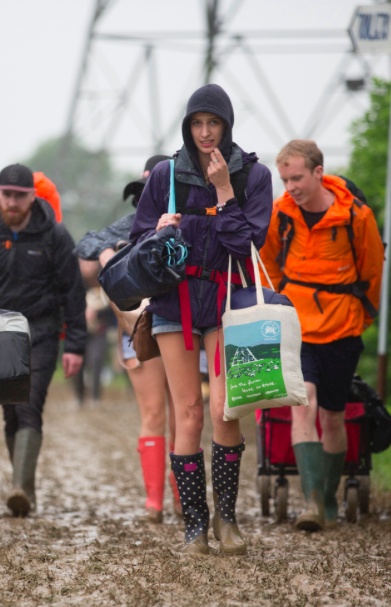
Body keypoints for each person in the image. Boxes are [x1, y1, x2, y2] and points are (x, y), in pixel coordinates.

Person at [130, 84, 273, 555]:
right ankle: (194, 524)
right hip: (175, 303)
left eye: (214, 123)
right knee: (188, 411)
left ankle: (226, 519)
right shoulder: (166, 175)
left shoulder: (254, 176)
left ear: (228, 125)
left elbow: (249, 247)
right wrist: (156, 232)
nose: (206, 132)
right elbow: (137, 244)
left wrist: (225, 192)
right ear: (187, 127)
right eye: (198, 123)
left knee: (224, 409)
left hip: (230, 302)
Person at [260, 140, 384, 530]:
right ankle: (311, 503)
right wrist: (279, 307)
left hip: (342, 327)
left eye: (296, 177)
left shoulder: (356, 217)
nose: (290, 186)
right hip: (296, 326)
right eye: (284, 179)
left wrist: (360, 318)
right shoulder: (280, 213)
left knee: (332, 417)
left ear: (318, 172)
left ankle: (328, 500)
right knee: (304, 402)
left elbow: (372, 273)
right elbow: (268, 266)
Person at [77, 154, 182, 523]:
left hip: (185, 324)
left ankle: (183, 499)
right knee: (154, 412)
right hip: (138, 326)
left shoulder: (190, 218)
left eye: (154, 188)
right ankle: (154, 502)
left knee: (185, 415)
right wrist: (109, 256)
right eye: (143, 190)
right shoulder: (132, 222)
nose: (147, 197)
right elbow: (87, 242)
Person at [0, 163, 87, 518]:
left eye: (19, 195)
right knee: (10, 412)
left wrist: (75, 345)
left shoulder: (55, 236)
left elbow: (73, 293)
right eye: (6, 194)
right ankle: (24, 489)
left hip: (41, 332)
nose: (12, 202)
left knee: (29, 404)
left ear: (32, 197)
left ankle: (18, 485)